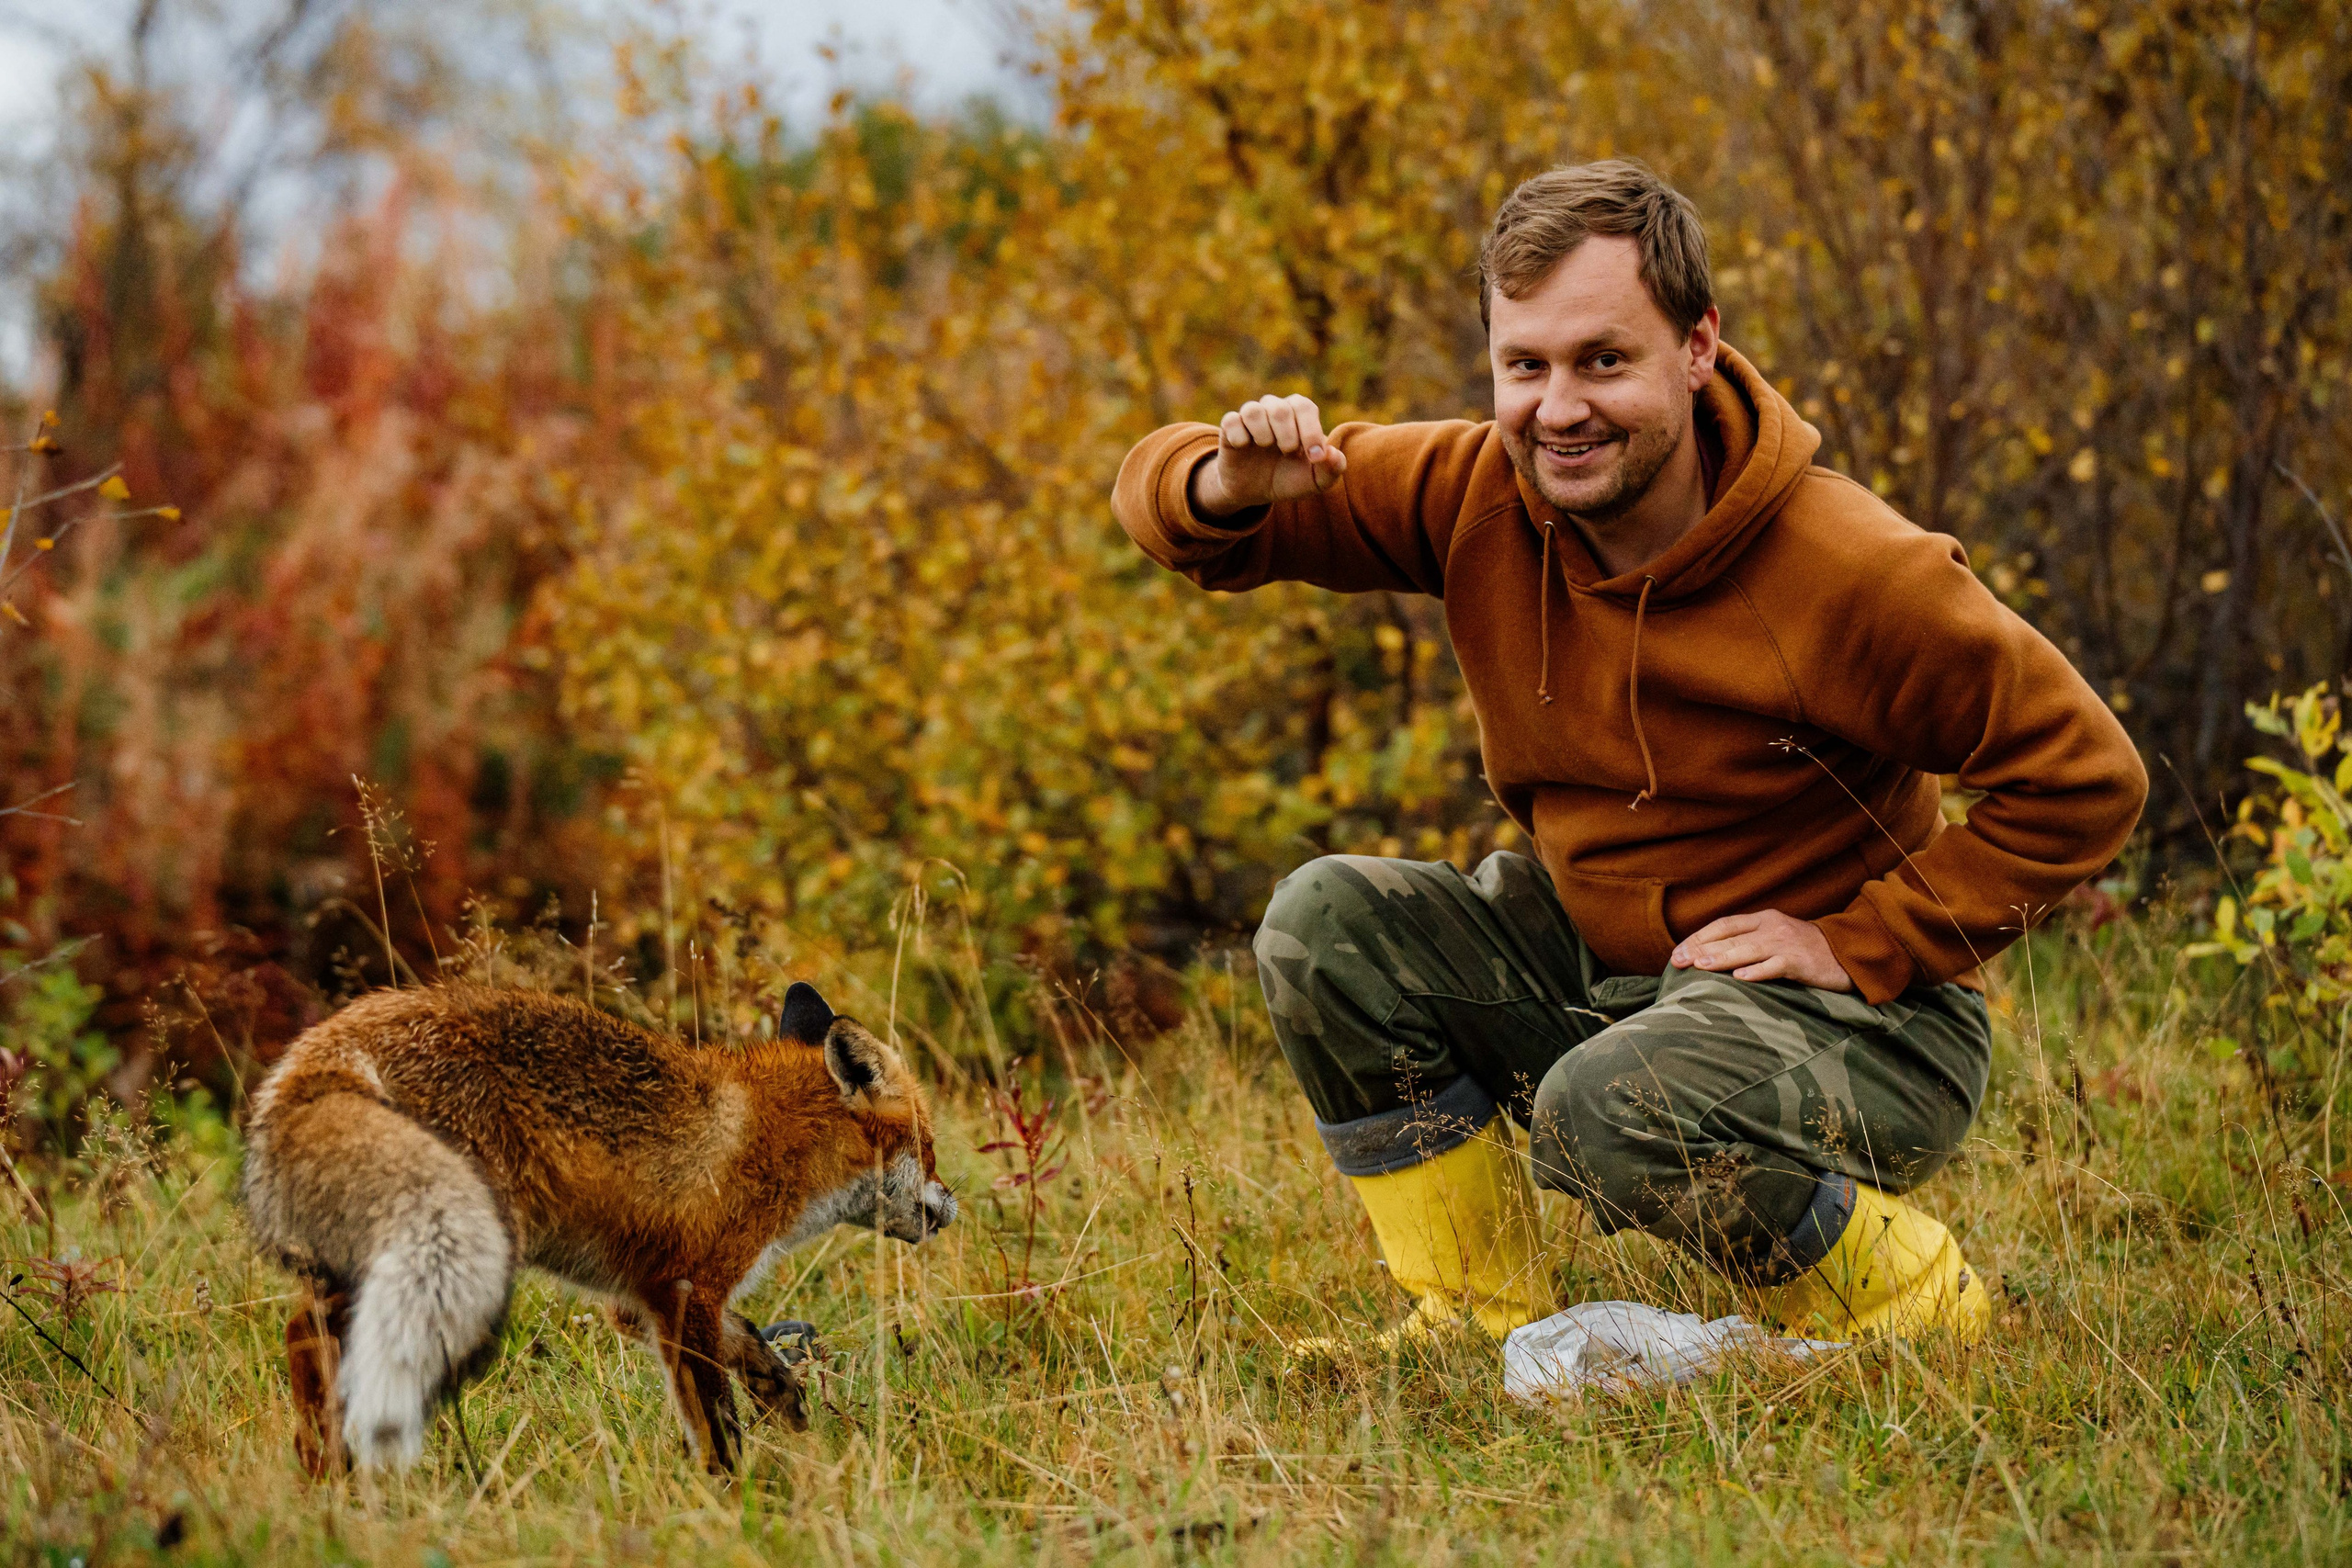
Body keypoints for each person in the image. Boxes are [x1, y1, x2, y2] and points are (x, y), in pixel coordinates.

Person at [1110, 160, 2145, 1355]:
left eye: (1604, 360)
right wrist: (1223, 478)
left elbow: (2087, 777)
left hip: (1861, 1025)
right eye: (1526, 365)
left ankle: (1914, 1309)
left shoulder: (1859, 570)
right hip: (1608, 973)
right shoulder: (1477, 491)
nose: (1560, 406)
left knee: (1605, 1112)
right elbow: (1176, 516)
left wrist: (1862, 938)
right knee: (1323, 924)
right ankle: (1469, 1313)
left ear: (1697, 348)